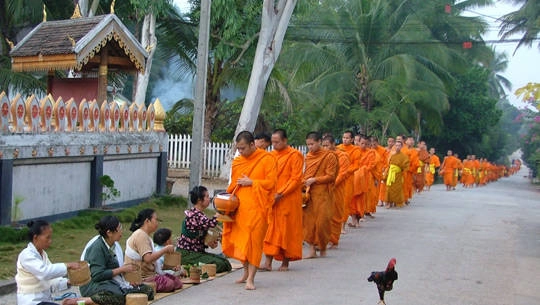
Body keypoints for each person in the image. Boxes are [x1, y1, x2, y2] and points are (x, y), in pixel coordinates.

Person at [221, 131, 277, 290]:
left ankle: (251, 278)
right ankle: (245, 272)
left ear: (253, 144)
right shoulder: (238, 162)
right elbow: (233, 185)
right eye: (238, 148)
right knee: (242, 241)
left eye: (243, 148)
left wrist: (252, 182)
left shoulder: (267, 159)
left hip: (258, 208)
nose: (240, 152)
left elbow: (271, 183)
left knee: (254, 242)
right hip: (240, 208)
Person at [80, 216, 154, 305]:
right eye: (119, 228)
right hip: (94, 285)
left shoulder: (114, 245)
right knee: (118, 296)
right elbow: (97, 275)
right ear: (109, 233)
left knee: (148, 291)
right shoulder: (97, 248)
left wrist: (128, 279)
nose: (121, 231)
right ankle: (83, 301)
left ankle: (123, 292)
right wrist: (122, 269)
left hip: (110, 283)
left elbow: (117, 270)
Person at [261, 129, 304, 271]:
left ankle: (285, 262)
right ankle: (267, 262)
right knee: (271, 230)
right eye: (272, 142)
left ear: (285, 140)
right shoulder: (270, 156)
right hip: (272, 199)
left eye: (277, 142)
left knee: (287, 230)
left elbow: (296, 178)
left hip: (288, 199)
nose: (274, 145)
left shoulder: (294, 155)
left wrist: (281, 193)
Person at [15, 219, 85, 305]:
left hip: (43, 300)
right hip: (31, 301)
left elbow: (51, 278)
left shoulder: (43, 254)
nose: (50, 240)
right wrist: (67, 265)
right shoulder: (26, 255)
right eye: (47, 237)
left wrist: (68, 282)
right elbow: (44, 273)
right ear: (35, 237)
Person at [177, 186, 232, 273]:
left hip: (196, 252)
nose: (208, 199)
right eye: (206, 196)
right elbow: (210, 223)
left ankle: (193, 267)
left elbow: (203, 232)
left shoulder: (199, 214)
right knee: (220, 264)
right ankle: (189, 269)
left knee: (224, 261)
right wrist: (218, 215)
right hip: (187, 254)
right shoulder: (194, 215)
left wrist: (209, 241)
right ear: (199, 200)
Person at [124, 209, 181, 293]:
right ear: (147, 221)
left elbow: (152, 262)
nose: (157, 223)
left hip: (150, 274)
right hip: (141, 278)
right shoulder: (140, 235)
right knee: (170, 284)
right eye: (156, 219)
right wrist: (165, 249)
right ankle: (144, 287)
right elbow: (148, 259)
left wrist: (170, 267)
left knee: (176, 282)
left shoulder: (145, 235)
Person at [303, 131, 338, 258]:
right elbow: (305, 174)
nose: (310, 147)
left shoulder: (329, 156)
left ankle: (322, 247)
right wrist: (304, 182)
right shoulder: (308, 157)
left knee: (322, 222)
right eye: (308, 145)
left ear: (319, 142)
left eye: (312, 144)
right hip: (309, 194)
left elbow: (331, 176)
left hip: (323, 194)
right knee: (309, 223)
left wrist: (315, 180)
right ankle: (312, 249)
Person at [322, 134, 351, 248]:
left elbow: (342, 173)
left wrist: (331, 184)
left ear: (333, 145)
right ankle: (323, 238)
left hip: (336, 189)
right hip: (323, 189)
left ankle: (333, 240)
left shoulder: (342, 156)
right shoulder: (323, 156)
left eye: (327, 145)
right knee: (324, 215)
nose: (325, 148)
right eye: (323, 146)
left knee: (335, 214)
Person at [385, 141, 410, 208]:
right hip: (391, 173)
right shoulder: (391, 154)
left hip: (398, 174)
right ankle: (389, 202)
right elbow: (388, 163)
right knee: (389, 188)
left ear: (401, 147)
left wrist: (401, 169)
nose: (397, 147)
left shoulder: (404, 156)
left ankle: (396, 202)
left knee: (397, 188)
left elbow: (406, 166)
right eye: (396, 145)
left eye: (399, 145)